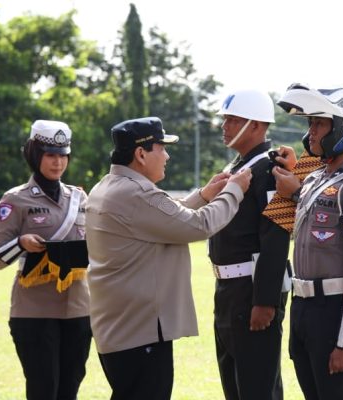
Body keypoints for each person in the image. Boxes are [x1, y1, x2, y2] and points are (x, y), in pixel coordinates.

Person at [85, 116, 252, 400]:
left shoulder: (110, 185)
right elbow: (198, 225)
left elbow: (164, 217)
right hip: (140, 332)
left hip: (121, 329)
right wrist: (235, 190)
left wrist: (204, 194)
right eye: (161, 148)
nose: (167, 155)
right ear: (141, 154)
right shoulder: (136, 193)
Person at [272, 84, 343, 400]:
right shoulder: (317, 179)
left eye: (319, 124)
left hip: (337, 315)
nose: (311, 133)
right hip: (305, 309)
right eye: (311, 124)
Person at [0, 120, 92, 400]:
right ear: (35, 155)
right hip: (34, 312)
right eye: (50, 155)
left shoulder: (80, 198)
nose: (57, 163)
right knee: (44, 388)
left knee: (70, 388)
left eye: (62, 155)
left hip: (79, 309)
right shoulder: (15, 200)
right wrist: (21, 243)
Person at [208, 89, 290, 400]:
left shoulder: (271, 170)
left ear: (256, 125)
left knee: (258, 388)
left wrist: (266, 301)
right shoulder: (238, 168)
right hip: (228, 292)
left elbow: (276, 238)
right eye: (225, 119)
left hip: (252, 291)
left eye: (232, 119)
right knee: (235, 387)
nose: (224, 126)